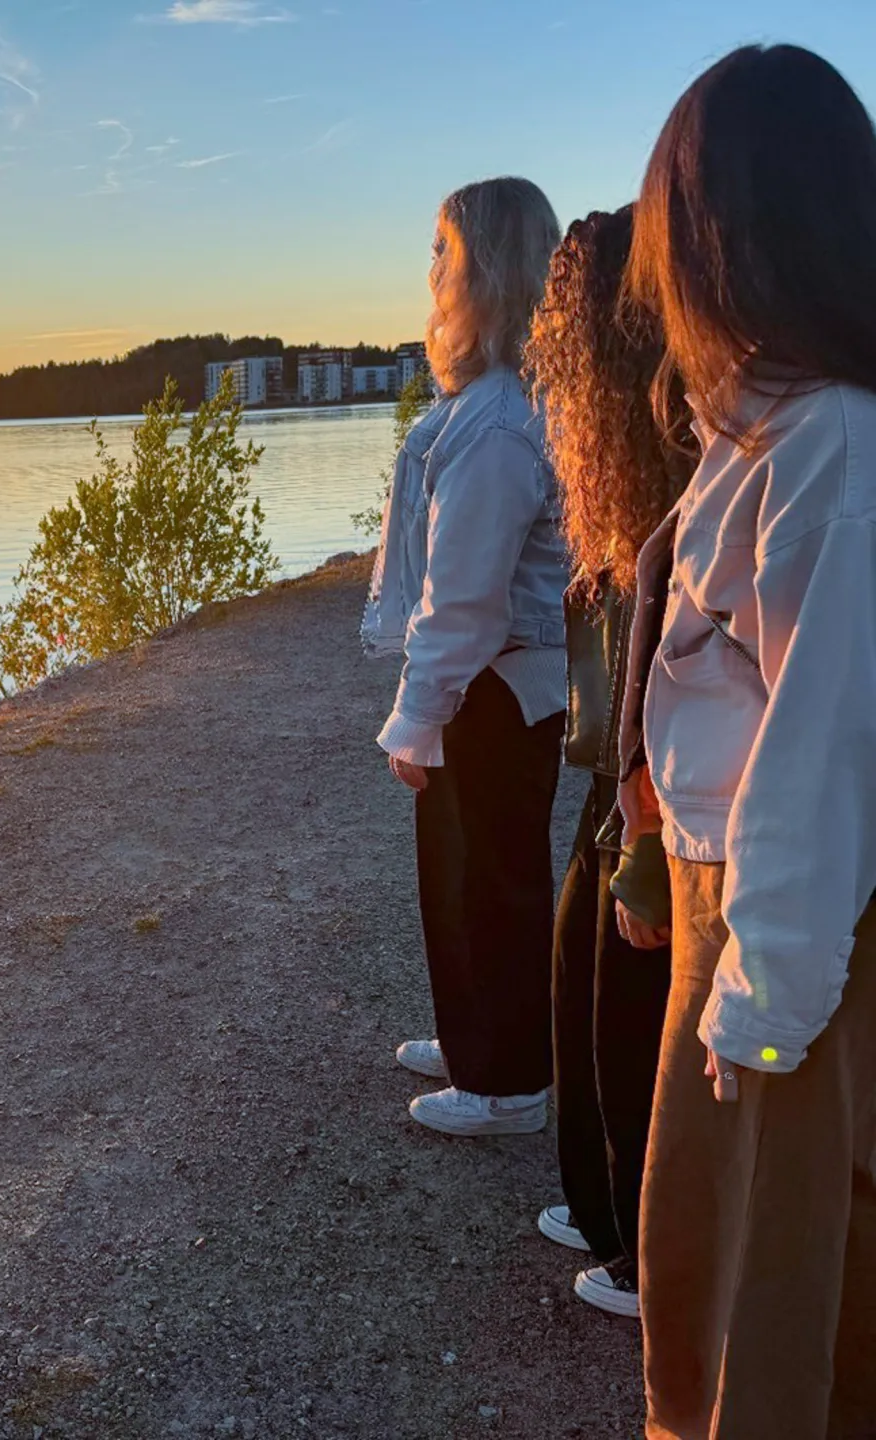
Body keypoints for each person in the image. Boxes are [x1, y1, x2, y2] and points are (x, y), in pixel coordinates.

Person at [620, 44, 876, 1437]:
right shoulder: (763, 431)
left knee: (769, 1287)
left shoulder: (832, 443)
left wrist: (766, 1002)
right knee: (711, 1264)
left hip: (780, 933)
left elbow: (826, 742)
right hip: (731, 908)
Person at [362, 177, 566, 1137]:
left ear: (482, 272)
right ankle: (476, 1038)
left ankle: (507, 1082)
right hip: (493, 686)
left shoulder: (496, 423)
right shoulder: (504, 402)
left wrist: (416, 716)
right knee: (466, 872)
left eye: (443, 248)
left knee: (490, 878)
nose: (431, 267)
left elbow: (466, 599)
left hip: (493, 689)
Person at [524, 206, 694, 1319]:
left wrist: (644, 828)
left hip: (655, 788)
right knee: (583, 977)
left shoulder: (687, 464)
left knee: (627, 997)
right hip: (624, 774)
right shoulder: (652, 462)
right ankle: (609, 1213)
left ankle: (647, 1249)